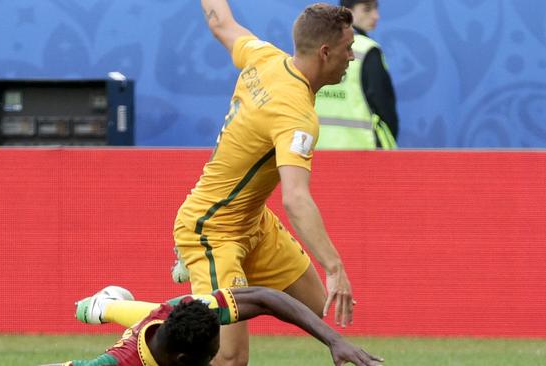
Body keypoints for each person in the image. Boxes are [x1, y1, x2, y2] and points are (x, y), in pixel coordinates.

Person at [171, 1, 358, 365]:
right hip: (212, 230)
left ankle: (207, 296)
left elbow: (221, 23)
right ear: (325, 52)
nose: (352, 56)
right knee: (230, 359)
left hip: (254, 225)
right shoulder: (296, 115)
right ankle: (144, 317)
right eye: (348, 47)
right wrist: (335, 267)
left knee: (318, 305)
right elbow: (296, 199)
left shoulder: (264, 56)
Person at [46, 285, 383, 366]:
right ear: (184, 361)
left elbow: (265, 298)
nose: (214, 360)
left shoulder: (185, 310)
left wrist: (334, 340)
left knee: (171, 300)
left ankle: (103, 305)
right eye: (209, 358)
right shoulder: (116, 363)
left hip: (164, 313)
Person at [314, 0, 399, 150]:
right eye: (367, 10)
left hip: (317, 154)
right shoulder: (367, 50)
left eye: (376, 9)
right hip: (362, 155)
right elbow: (385, 109)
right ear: (347, 12)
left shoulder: (316, 48)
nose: (376, 16)